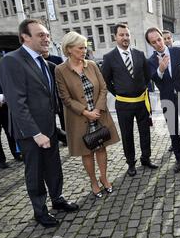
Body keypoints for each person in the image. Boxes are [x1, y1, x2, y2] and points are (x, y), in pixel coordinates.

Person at [0, 19, 79, 227]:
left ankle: (57, 199)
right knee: (35, 172)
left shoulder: (43, 61)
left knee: (53, 167)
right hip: (30, 131)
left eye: (47, 34)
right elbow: (17, 103)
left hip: (49, 127)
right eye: (40, 35)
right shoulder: (12, 61)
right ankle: (40, 211)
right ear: (25, 37)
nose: (46, 38)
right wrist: (36, 133)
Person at [55, 32, 120, 197]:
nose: (84, 50)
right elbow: (65, 98)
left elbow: (104, 87)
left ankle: (104, 178)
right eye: (80, 48)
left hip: (99, 116)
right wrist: (86, 112)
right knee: (87, 151)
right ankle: (93, 181)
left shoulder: (91, 65)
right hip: (79, 119)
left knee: (101, 147)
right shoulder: (60, 70)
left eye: (85, 47)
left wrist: (97, 109)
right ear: (69, 49)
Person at [102, 23, 158, 177]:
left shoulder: (139, 55)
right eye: (121, 35)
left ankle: (146, 158)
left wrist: (140, 89)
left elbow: (147, 77)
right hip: (123, 104)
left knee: (145, 132)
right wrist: (120, 93)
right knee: (127, 135)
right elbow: (106, 81)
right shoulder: (109, 58)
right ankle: (131, 163)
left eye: (127, 34)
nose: (125, 38)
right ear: (115, 37)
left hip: (141, 102)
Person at [145, 27, 180, 173]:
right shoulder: (150, 61)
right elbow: (155, 80)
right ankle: (179, 159)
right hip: (167, 99)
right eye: (154, 42)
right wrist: (161, 69)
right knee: (173, 131)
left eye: (159, 39)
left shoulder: (179, 52)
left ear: (163, 37)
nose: (158, 43)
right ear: (151, 45)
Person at [42, 50, 67, 146]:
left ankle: (66, 137)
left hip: (58, 93)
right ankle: (55, 137)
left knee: (63, 116)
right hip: (47, 96)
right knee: (50, 120)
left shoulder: (56, 60)